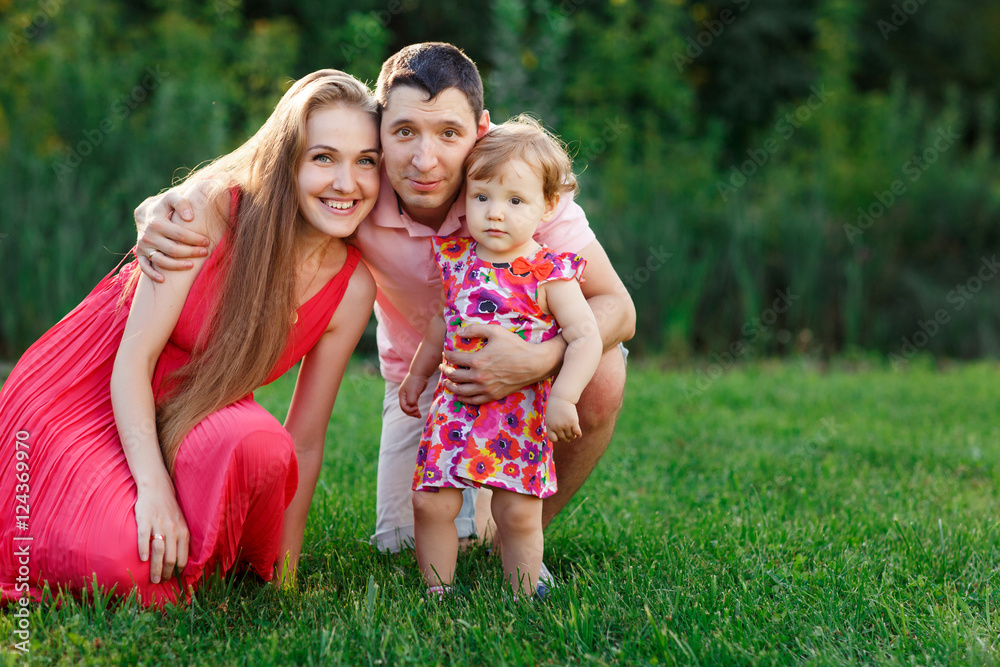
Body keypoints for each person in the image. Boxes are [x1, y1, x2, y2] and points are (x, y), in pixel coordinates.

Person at [133, 43, 636, 566]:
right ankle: (478, 528)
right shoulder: (356, 195)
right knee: (409, 544)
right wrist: (164, 204)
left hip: (533, 377)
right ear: (379, 130)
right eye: (403, 133)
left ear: (480, 130)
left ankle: (514, 536)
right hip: (420, 384)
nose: (424, 160)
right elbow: (259, 177)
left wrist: (538, 359)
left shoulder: (516, 190)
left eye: (448, 134)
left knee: (600, 373)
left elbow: (619, 307)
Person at [0, 69, 379, 607]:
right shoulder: (207, 213)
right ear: (286, 161)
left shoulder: (351, 285)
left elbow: (306, 440)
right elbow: (134, 360)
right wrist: (154, 491)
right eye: (323, 158)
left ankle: (198, 551)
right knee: (120, 566)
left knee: (262, 444)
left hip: (190, 408)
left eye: (366, 161)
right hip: (87, 393)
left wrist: (284, 577)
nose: (347, 183)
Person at [400, 116, 603, 598]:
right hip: (455, 410)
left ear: (547, 205)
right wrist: (416, 375)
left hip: (519, 414)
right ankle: (437, 591)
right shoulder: (457, 257)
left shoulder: (549, 270)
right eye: (482, 197)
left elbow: (587, 335)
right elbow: (440, 323)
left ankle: (524, 593)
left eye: (515, 201)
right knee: (429, 502)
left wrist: (566, 397)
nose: (495, 213)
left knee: (516, 515)